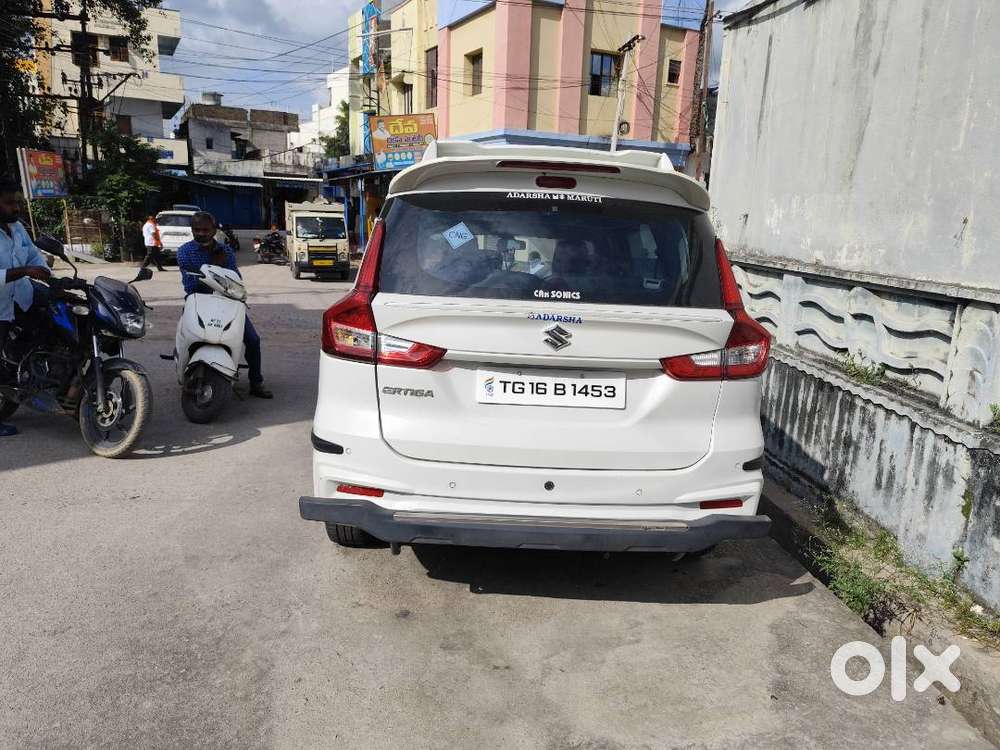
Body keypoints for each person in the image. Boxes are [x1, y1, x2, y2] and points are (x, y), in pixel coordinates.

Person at [177, 211, 273, 399]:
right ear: (192, 230)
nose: (201, 233)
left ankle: (256, 382)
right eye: (197, 229)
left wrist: (220, 274)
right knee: (187, 337)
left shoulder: (226, 251)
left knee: (253, 340)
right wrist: (216, 269)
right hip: (198, 301)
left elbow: (235, 281)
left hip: (227, 302)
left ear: (214, 230)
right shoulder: (184, 251)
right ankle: (186, 373)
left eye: (205, 230)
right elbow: (191, 284)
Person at [0, 177, 52, 436]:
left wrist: (44, 269)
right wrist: (24, 271)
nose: (16, 207)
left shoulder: (18, 227)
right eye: (9, 203)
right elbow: (23, 268)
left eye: (18, 202)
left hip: (22, 298)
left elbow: (33, 255)